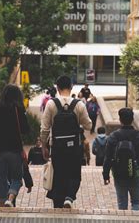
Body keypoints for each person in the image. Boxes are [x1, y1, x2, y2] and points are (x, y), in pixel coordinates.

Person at [40, 75, 92, 208]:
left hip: (57, 147)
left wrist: (44, 146)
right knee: (74, 174)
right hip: (74, 148)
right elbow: (89, 126)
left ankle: (58, 203)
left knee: (58, 174)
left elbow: (44, 128)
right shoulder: (78, 104)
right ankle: (69, 197)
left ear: (57, 87)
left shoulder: (51, 104)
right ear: (71, 87)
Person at [102, 108, 139, 211]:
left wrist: (105, 175)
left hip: (119, 174)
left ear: (120, 120)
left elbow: (108, 158)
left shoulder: (113, 137)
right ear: (132, 119)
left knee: (122, 205)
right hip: (135, 174)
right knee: (136, 203)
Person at [0, 84, 30, 207]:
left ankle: (2, 205)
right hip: (15, 150)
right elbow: (25, 129)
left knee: (0, 179)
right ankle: (11, 197)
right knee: (17, 179)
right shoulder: (18, 108)